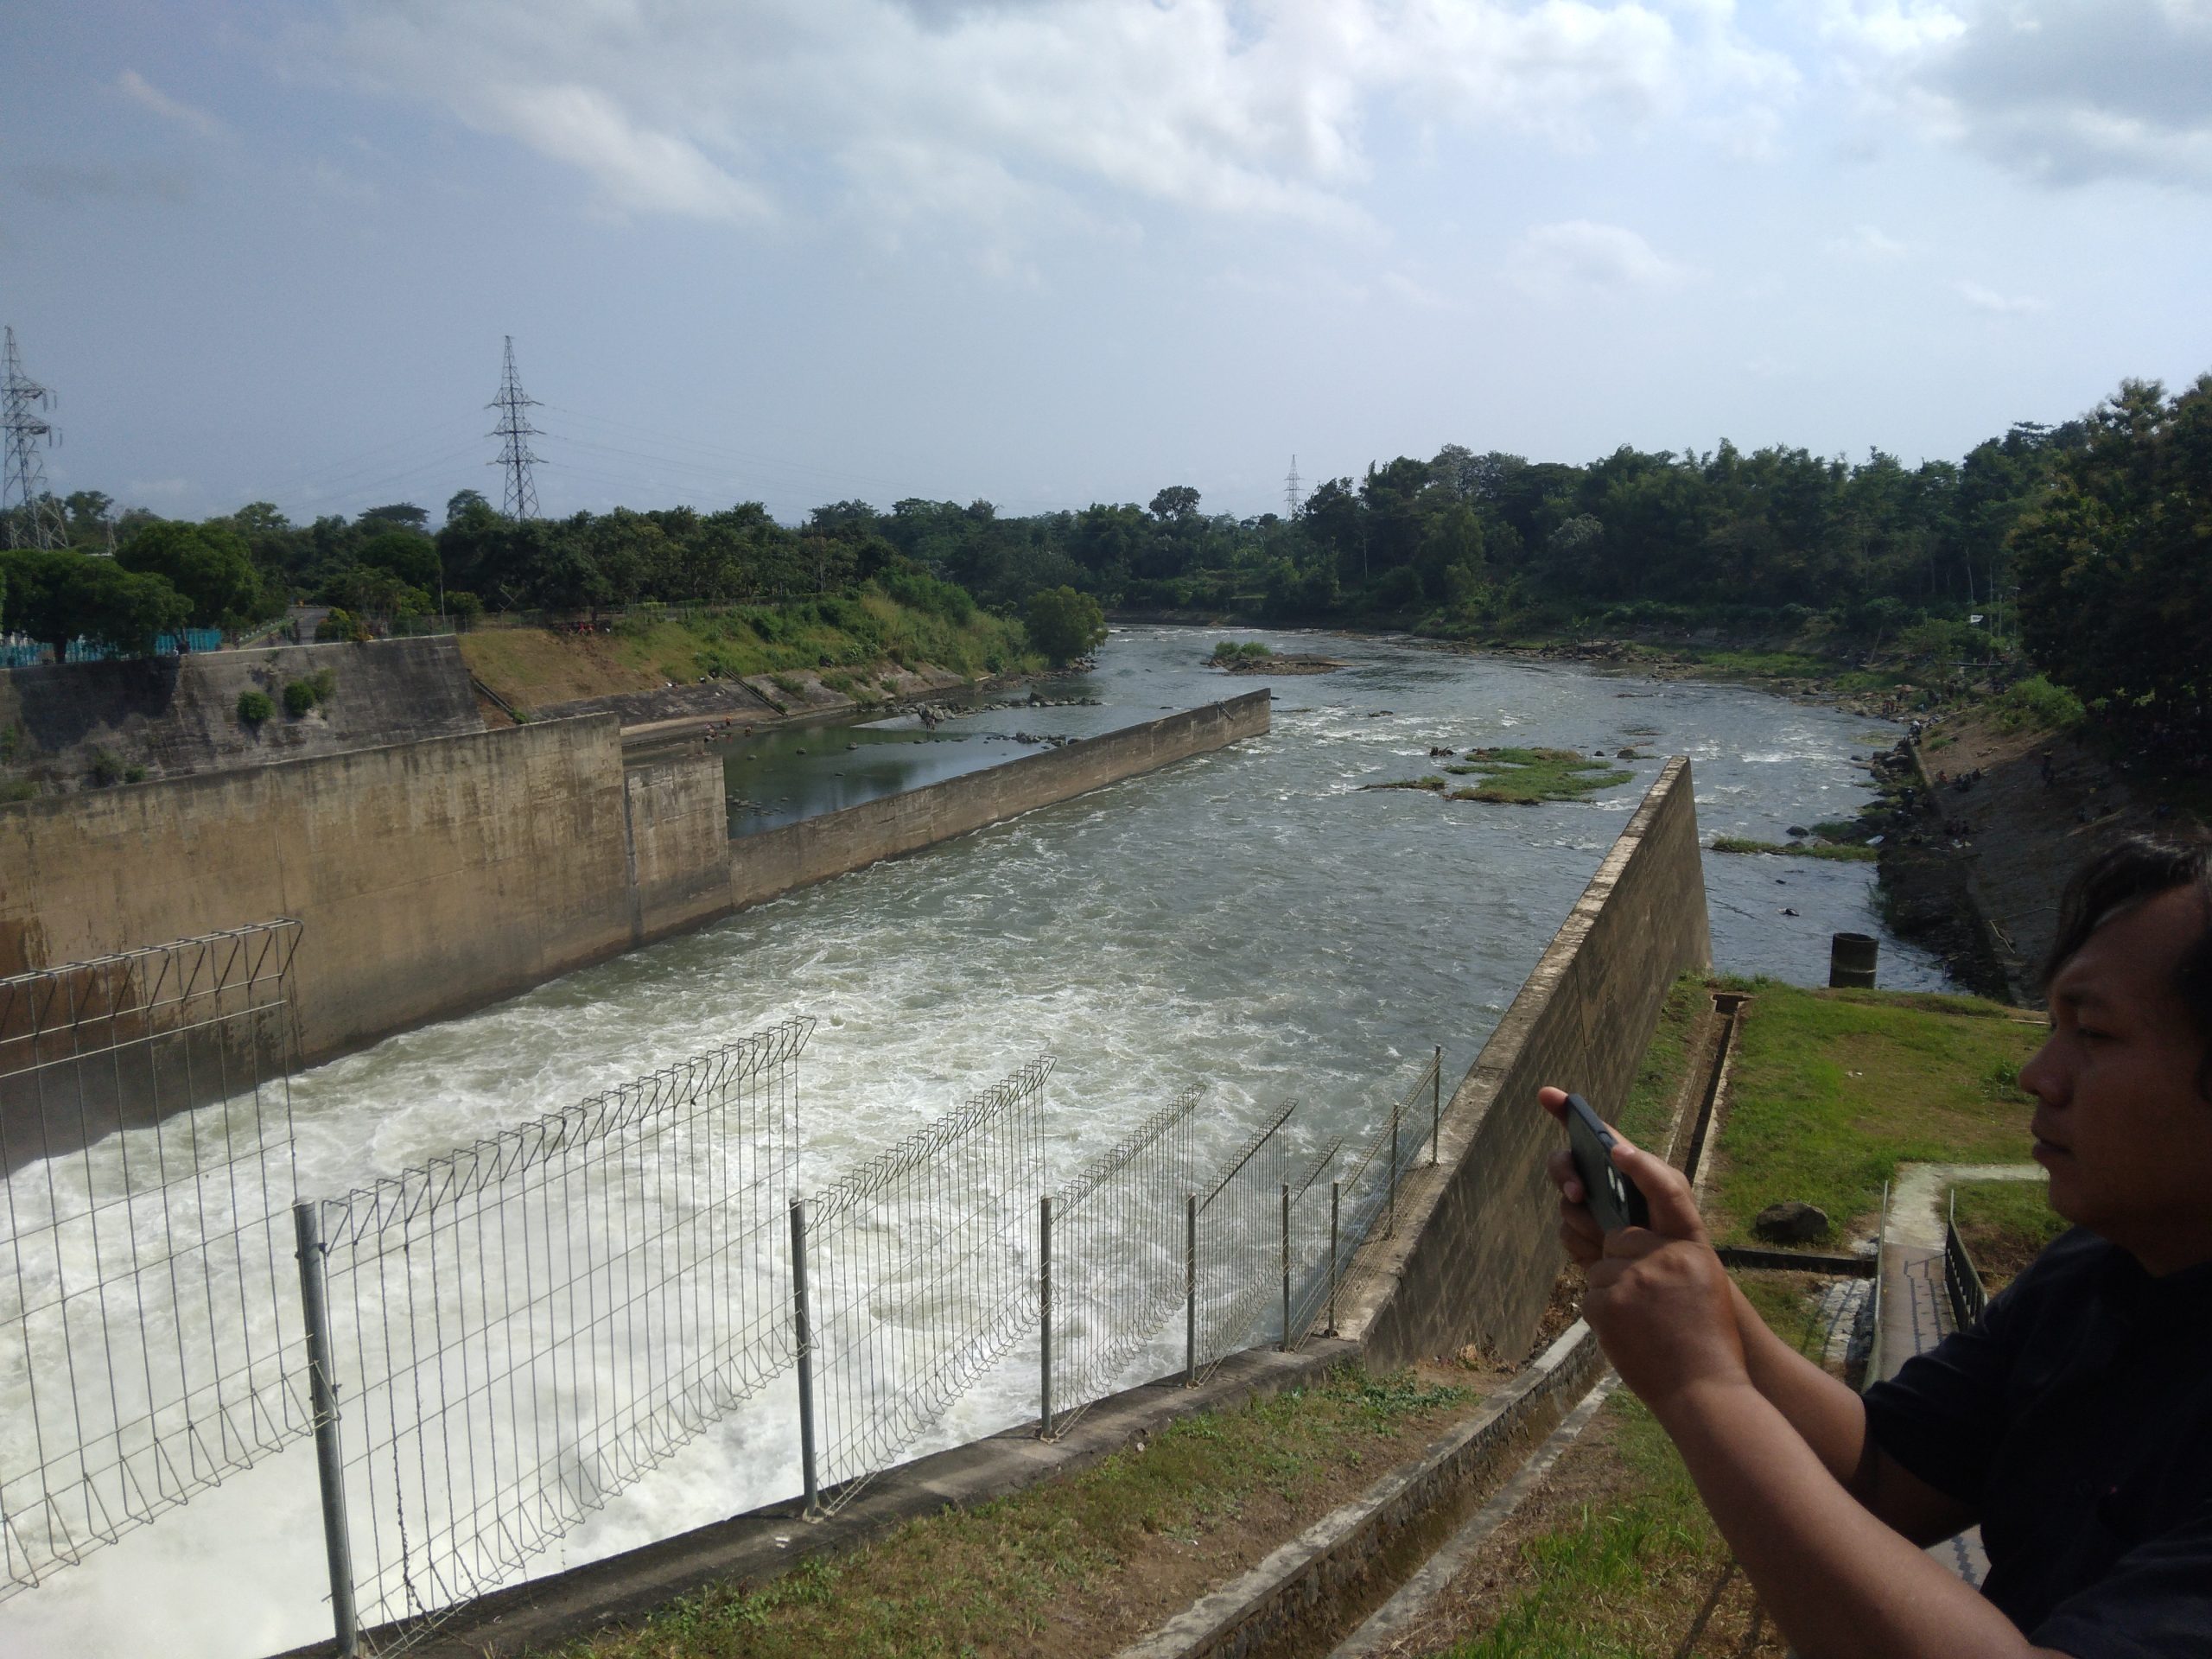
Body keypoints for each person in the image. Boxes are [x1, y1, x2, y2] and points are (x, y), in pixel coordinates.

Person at [1541, 836, 2212, 1657]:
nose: (2038, 1074)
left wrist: (1703, 1389)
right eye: (2052, 1026)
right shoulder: (2098, 1271)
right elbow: (1883, 1475)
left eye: (2095, 1035)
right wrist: (1703, 1289)